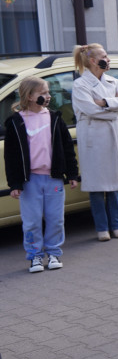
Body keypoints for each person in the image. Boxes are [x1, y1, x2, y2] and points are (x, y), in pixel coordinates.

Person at [4, 77, 79, 272]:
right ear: (29, 96)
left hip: (53, 178)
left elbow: (67, 147)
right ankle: (35, 256)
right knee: (31, 221)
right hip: (30, 182)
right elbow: (10, 156)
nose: (48, 96)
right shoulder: (15, 122)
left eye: (48, 92)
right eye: (43, 93)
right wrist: (15, 184)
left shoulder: (55, 117)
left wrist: (72, 173)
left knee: (55, 218)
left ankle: (53, 252)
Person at [72, 44, 118, 241]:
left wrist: (105, 103)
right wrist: (113, 108)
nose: (109, 59)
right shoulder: (80, 85)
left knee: (114, 184)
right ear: (93, 61)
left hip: (112, 136)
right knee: (97, 186)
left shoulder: (114, 81)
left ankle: (117, 225)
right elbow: (90, 110)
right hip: (93, 138)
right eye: (105, 56)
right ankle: (101, 228)